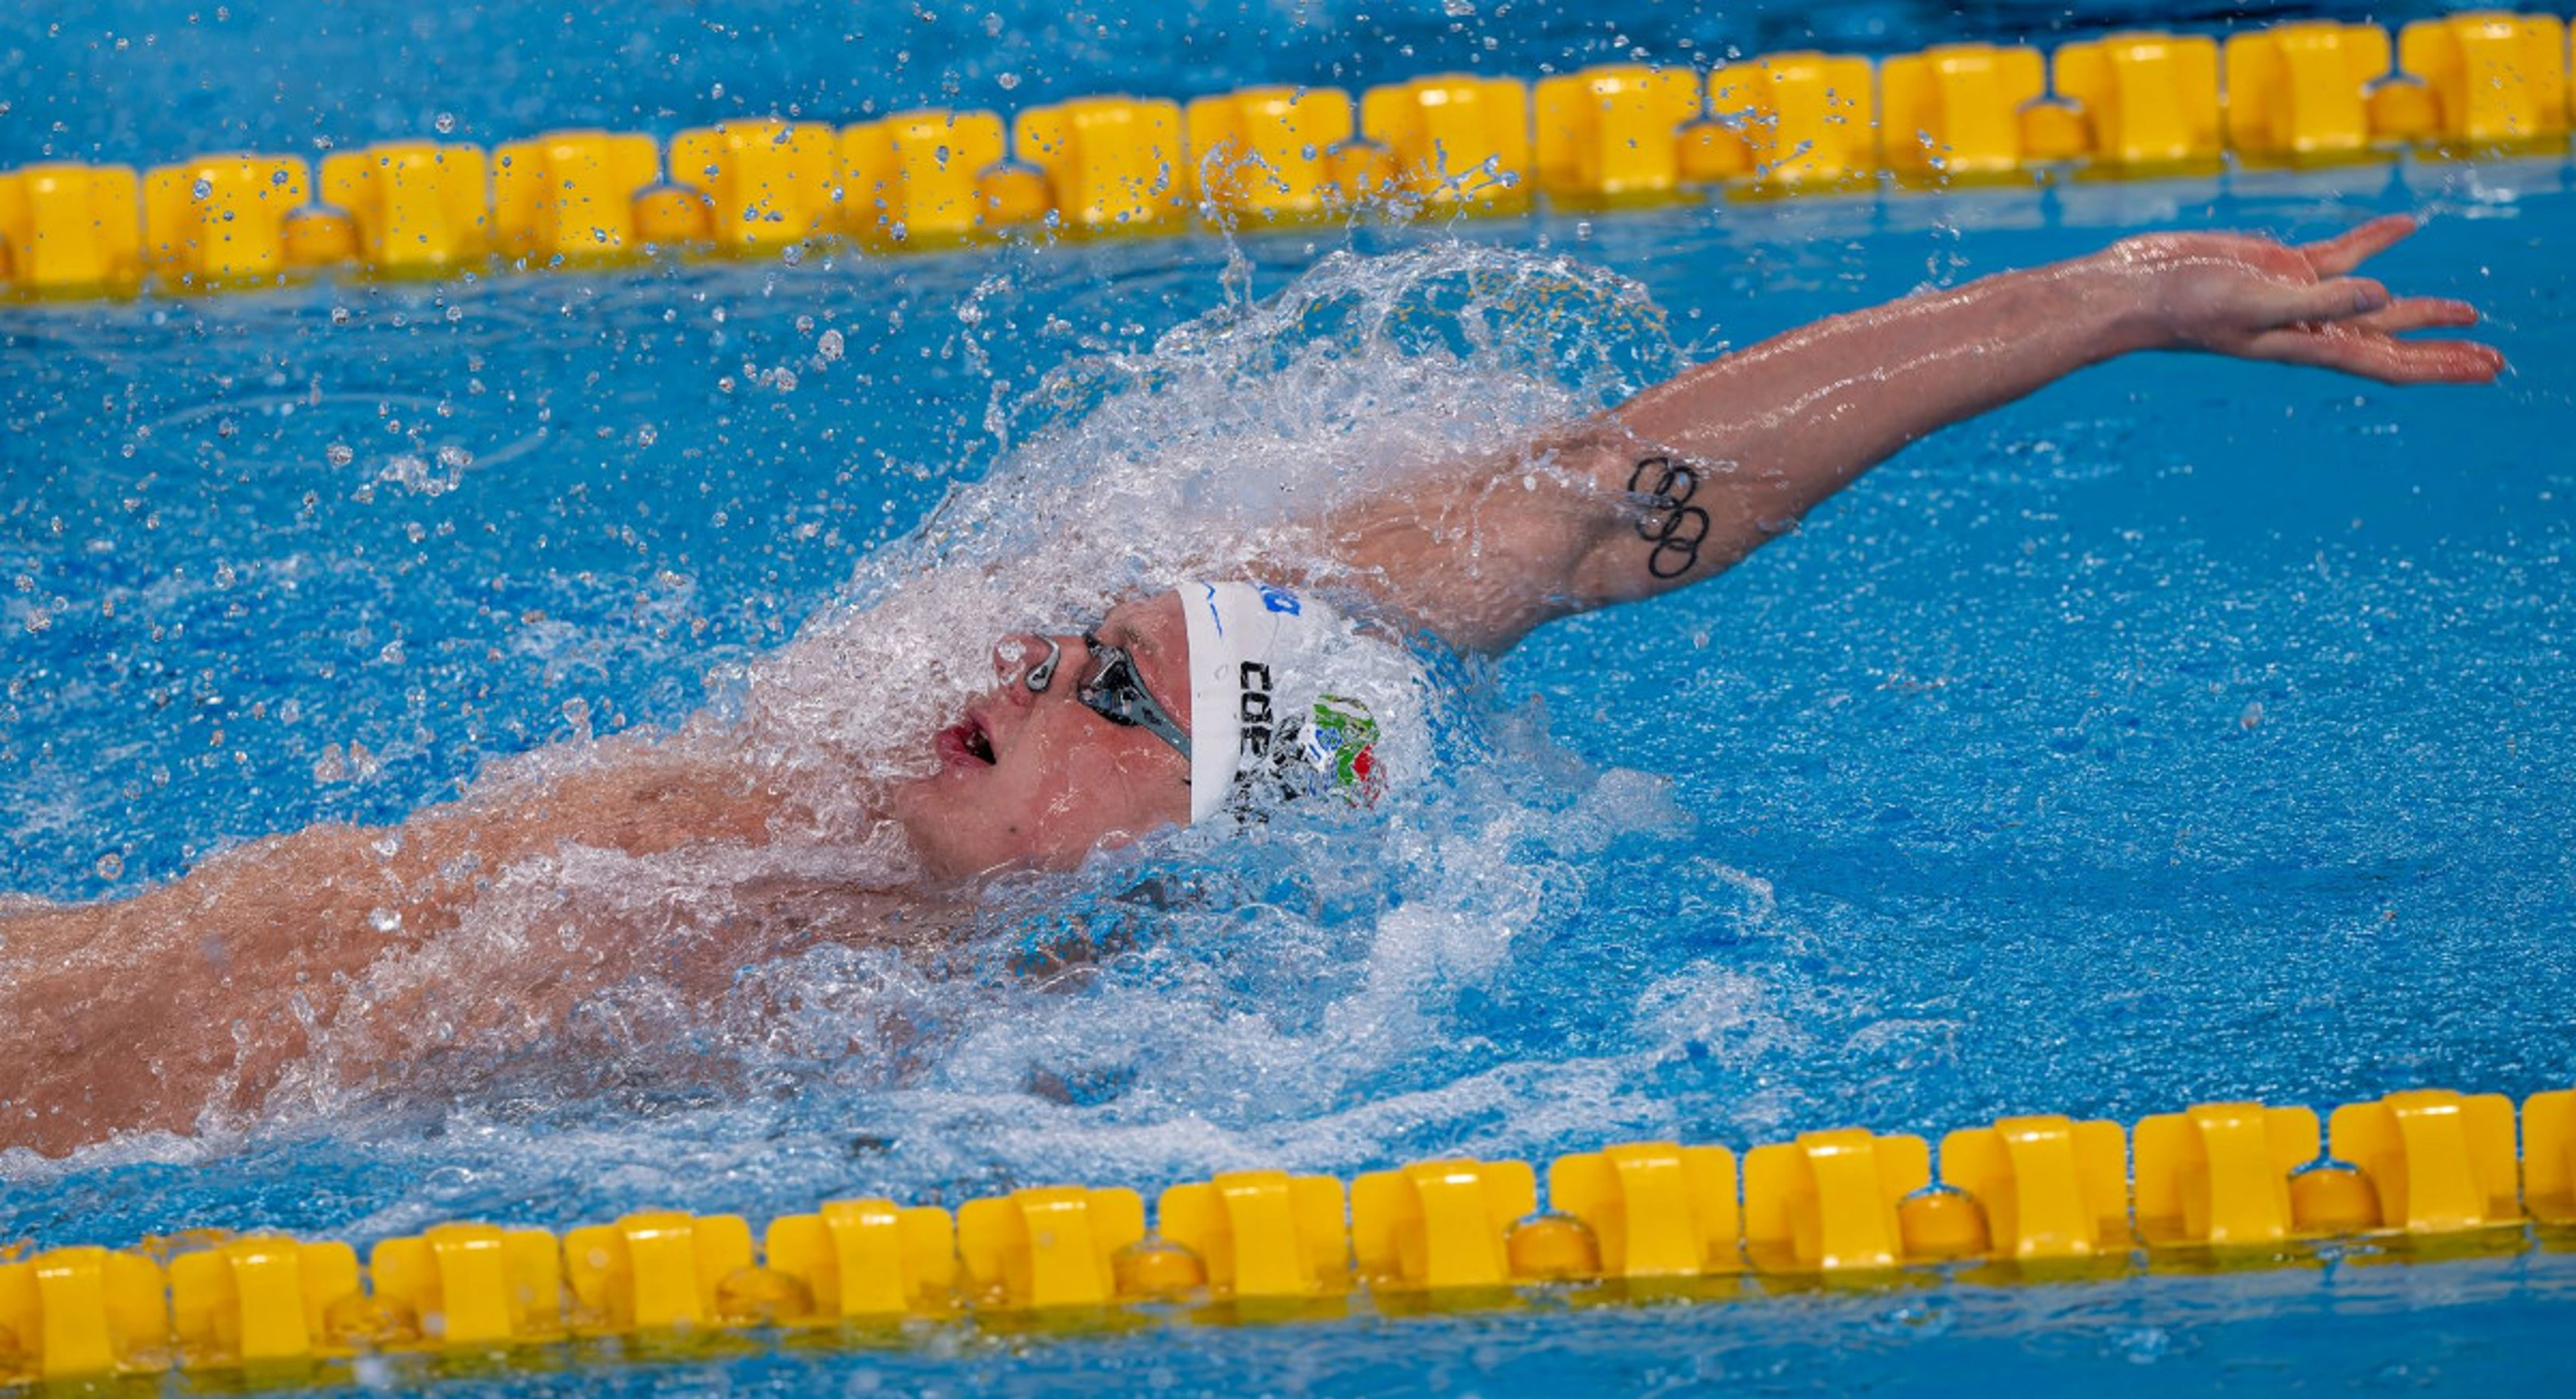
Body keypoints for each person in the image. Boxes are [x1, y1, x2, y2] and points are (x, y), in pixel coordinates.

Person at [0, 216, 2502, 1159]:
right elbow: (1602, 497)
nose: (1020, 651)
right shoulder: (865, 795)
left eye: (1103, 680)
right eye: (1093, 626)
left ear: (1201, 835)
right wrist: (2124, 292)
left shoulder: (890, 1007)